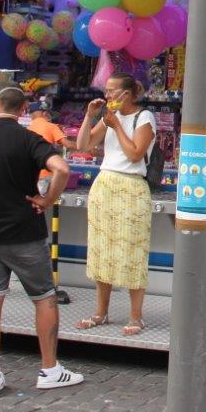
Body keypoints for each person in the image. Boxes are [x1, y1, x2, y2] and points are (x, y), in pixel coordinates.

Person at [0, 86, 83, 397]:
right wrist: (47, 199)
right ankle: (49, 368)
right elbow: (62, 168)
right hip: (23, 233)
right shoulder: (28, 140)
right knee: (44, 297)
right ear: (24, 108)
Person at [74, 75, 156, 336]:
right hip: (106, 184)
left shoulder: (143, 117)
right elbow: (83, 145)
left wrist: (117, 126)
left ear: (129, 94)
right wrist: (90, 117)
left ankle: (136, 316)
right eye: (106, 91)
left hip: (131, 186)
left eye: (112, 91)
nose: (107, 96)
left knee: (133, 250)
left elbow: (134, 154)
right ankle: (101, 311)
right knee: (101, 249)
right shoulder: (109, 117)